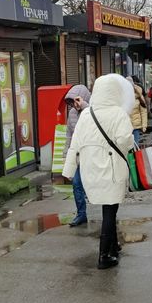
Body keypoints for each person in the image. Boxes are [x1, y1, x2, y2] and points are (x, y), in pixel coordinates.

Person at [62, 74, 135, 269]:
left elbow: (74, 144)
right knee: (110, 210)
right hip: (112, 170)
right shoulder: (118, 114)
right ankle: (104, 255)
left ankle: (112, 247)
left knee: (107, 209)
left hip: (90, 170)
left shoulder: (86, 114)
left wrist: (68, 170)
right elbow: (125, 141)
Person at [63, 84, 91, 227]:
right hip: (79, 155)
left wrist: (85, 106)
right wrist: (66, 154)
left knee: (98, 186)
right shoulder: (72, 113)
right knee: (76, 184)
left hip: (94, 154)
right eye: (71, 102)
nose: (74, 104)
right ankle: (81, 214)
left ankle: (109, 215)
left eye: (76, 100)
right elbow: (69, 134)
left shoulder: (93, 110)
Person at [127, 75, 149, 143]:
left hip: (136, 126)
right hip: (125, 126)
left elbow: (143, 112)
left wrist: (144, 125)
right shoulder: (121, 96)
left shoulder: (139, 96)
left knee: (136, 146)